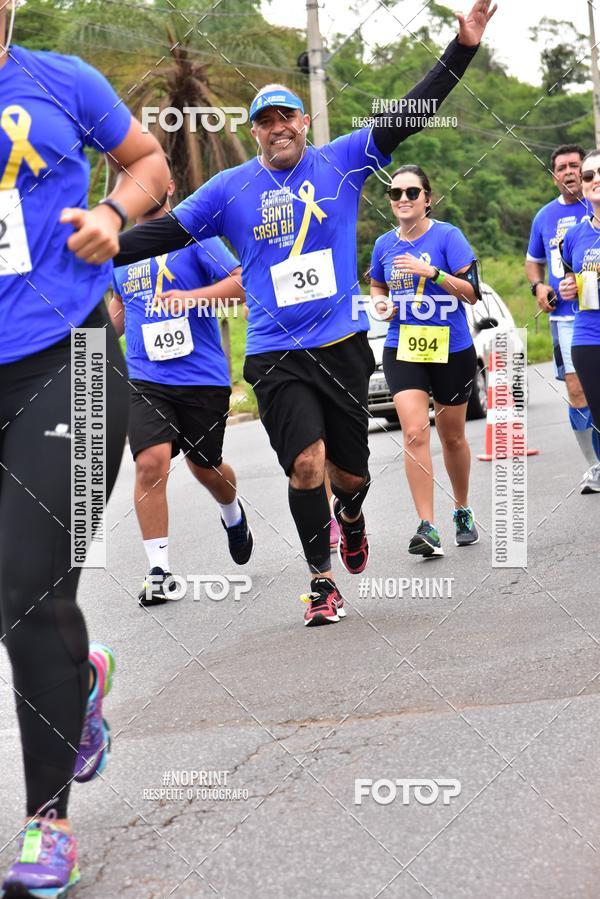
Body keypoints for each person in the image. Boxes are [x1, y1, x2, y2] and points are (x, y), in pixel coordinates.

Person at [115, 2, 498, 625]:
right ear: (258, 131)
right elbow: (163, 235)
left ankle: (351, 515)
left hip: (342, 342)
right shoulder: (230, 187)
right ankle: (321, 582)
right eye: (264, 122)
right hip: (275, 351)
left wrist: (461, 49)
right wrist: (88, 246)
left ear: (304, 119)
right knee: (306, 464)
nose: (277, 128)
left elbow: (412, 111)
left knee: (349, 476)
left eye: (286, 116)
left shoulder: (343, 159)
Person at [0, 0, 169, 893]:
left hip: (72, 358)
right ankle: (82, 674)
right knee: (26, 597)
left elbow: (150, 162)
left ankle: (46, 822)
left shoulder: (59, 80)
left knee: (29, 589)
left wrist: (113, 209)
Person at [110, 174, 253, 606]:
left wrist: (194, 298)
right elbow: (118, 310)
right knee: (150, 463)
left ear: (169, 186)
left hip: (202, 377)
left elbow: (241, 281)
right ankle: (159, 571)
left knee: (204, 467)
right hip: (145, 376)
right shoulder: (121, 249)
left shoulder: (193, 234)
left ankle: (232, 512)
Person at [369, 165, 480, 557]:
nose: (403, 199)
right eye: (396, 192)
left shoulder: (448, 236)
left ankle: (462, 509)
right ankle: (427, 527)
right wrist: (380, 304)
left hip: (451, 347)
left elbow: (471, 293)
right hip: (404, 346)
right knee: (415, 432)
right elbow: (377, 285)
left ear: (427, 198)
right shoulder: (384, 245)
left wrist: (432, 272)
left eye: (412, 192)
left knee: (451, 436)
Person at [525, 144, 599, 493]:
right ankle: (594, 465)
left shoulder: (593, 204)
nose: (570, 173)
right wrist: (539, 286)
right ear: (554, 175)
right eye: (563, 168)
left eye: (576, 166)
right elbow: (534, 261)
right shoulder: (545, 217)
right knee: (578, 392)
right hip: (570, 319)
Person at [559, 149, 600, 475]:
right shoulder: (573, 236)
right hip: (588, 334)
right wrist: (566, 288)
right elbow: (570, 280)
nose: (594, 180)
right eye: (589, 176)